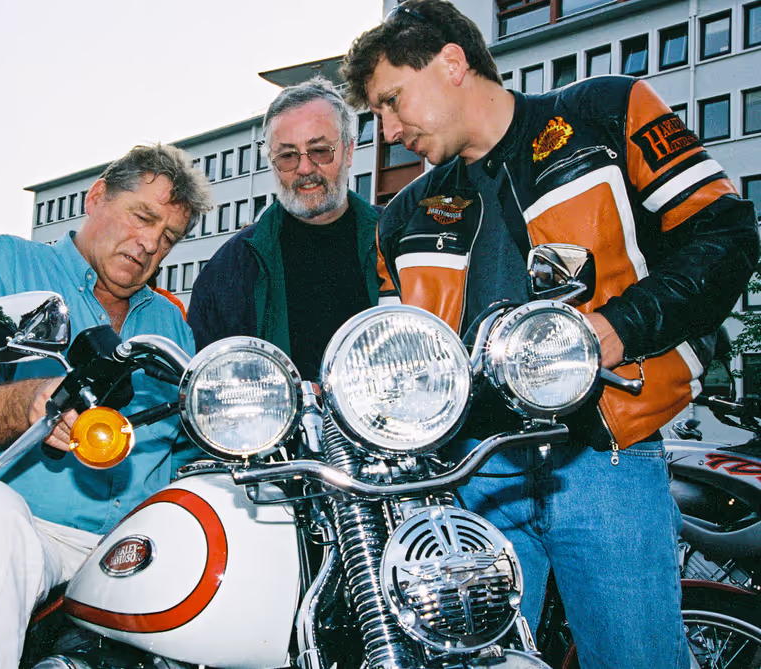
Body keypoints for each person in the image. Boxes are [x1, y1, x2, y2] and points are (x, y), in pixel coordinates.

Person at [341, 3, 759, 668]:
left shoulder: (605, 113)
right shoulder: (400, 219)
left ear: (452, 63)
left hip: (602, 456)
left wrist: (617, 329)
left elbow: (726, 233)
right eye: (378, 116)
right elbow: (402, 357)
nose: (389, 131)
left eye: (392, 101)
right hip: (470, 479)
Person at [0, 144, 212, 669]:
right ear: (97, 196)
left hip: (122, 554)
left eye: (169, 236)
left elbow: (181, 458)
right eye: (143, 216)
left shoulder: (172, 326)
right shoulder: (3, 265)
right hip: (1, 527)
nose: (151, 242)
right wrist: (32, 401)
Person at [187, 77, 381, 381]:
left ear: (349, 151)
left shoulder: (396, 240)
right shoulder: (228, 271)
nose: (304, 169)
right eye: (288, 155)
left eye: (319, 150)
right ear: (272, 163)